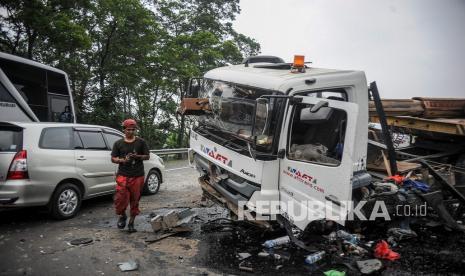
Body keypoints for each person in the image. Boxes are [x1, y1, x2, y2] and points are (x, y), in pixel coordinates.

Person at [111, 119, 150, 232]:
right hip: (123, 175)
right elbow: (113, 158)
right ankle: (122, 216)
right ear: (124, 130)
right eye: (128, 130)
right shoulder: (118, 143)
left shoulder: (141, 142)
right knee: (120, 199)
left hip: (137, 175)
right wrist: (123, 160)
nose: (131, 132)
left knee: (135, 200)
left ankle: (131, 223)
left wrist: (137, 156)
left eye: (133, 130)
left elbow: (147, 156)